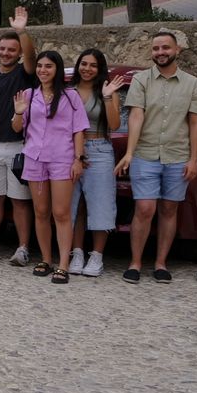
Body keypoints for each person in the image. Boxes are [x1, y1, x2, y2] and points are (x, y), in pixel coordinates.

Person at [115, 31, 197, 284]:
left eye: (165, 47)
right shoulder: (141, 80)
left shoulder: (192, 83)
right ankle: (135, 263)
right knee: (145, 208)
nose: (160, 52)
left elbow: (196, 123)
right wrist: (130, 153)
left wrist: (194, 159)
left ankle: (161, 264)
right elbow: (136, 116)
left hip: (178, 156)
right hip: (145, 154)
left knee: (169, 209)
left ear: (177, 50)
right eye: (156, 48)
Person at [15, 50, 89, 284]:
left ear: (57, 69)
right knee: (41, 212)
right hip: (35, 158)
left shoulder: (71, 96)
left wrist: (78, 159)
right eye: (40, 66)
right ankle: (46, 259)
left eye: (48, 66)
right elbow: (17, 127)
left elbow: (79, 130)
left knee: (61, 213)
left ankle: (63, 264)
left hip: (62, 158)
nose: (43, 70)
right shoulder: (29, 95)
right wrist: (18, 112)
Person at [0, 8, 36, 265]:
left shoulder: (25, 74)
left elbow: (32, 58)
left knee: (20, 200)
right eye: (2, 49)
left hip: (18, 145)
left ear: (19, 52)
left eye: (12, 50)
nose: (6, 53)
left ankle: (23, 248)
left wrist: (22, 31)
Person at [69, 49, 124, 278]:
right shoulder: (68, 90)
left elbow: (114, 124)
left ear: (100, 68)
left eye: (93, 65)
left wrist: (108, 97)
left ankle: (97, 256)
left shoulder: (107, 91)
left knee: (100, 204)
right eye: (84, 64)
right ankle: (76, 252)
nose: (87, 69)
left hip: (99, 149)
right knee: (74, 204)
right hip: (70, 151)